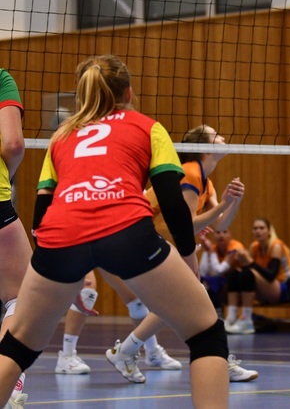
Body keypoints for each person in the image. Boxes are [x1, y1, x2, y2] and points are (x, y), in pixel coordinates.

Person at [0, 55, 230, 408]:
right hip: (126, 230)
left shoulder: (62, 136)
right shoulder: (148, 127)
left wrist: (59, 277)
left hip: (60, 239)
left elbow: (42, 212)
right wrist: (189, 261)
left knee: (17, 346)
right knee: (206, 334)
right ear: (129, 93)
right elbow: (171, 202)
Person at [106, 124, 258, 382]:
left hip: (152, 242)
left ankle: (125, 352)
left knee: (176, 302)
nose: (223, 137)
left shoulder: (205, 180)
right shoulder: (190, 172)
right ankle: (222, 361)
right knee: (192, 298)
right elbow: (186, 225)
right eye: (216, 135)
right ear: (204, 147)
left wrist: (233, 203)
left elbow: (220, 225)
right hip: (139, 238)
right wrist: (223, 204)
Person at [54, 269, 182, 376]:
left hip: (100, 247)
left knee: (135, 300)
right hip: (76, 248)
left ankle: (152, 352)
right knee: (87, 292)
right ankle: (67, 356)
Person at [0, 69, 32, 408]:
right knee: (21, 299)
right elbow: (13, 143)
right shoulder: (0, 78)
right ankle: (7, 385)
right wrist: (5, 177)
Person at [226, 218, 290, 334]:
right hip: (266, 287)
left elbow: (271, 275)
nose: (258, 231)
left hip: (284, 288)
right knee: (235, 273)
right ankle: (231, 317)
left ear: (269, 231)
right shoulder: (254, 247)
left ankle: (246, 320)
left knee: (247, 273)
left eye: (261, 228)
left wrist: (250, 262)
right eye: (255, 228)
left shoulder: (276, 246)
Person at [198, 229, 244, 319]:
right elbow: (203, 272)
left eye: (225, 232)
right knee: (204, 282)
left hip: (240, 284)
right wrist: (206, 251)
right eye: (218, 232)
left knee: (216, 283)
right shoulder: (214, 248)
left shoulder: (235, 247)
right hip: (225, 283)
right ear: (214, 236)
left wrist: (211, 252)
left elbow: (219, 271)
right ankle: (214, 316)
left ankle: (222, 317)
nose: (221, 235)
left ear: (230, 235)